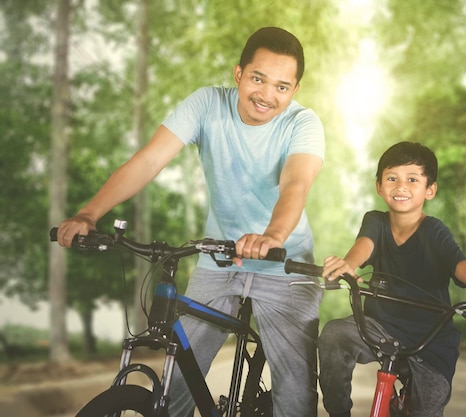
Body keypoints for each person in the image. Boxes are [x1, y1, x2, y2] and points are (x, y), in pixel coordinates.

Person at [56, 27, 325, 417]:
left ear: (295, 89)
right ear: (238, 74)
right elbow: (148, 160)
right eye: (257, 79)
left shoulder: (303, 124)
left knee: (295, 394)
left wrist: (272, 236)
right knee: (177, 381)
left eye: (282, 87)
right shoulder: (207, 104)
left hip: (285, 264)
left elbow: (295, 184)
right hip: (217, 258)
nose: (267, 95)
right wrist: (89, 213)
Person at [317, 141, 466, 417]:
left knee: (429, 402)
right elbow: (364, 246)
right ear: (379, 186)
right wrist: (348, 265)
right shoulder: (376, 222)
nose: (401, 186)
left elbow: (461, 267)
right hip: (379, 327)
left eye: (412, 179)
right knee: (335, 334)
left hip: (430, 339)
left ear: (430, 190)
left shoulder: (434, 231)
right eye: (392, 178)